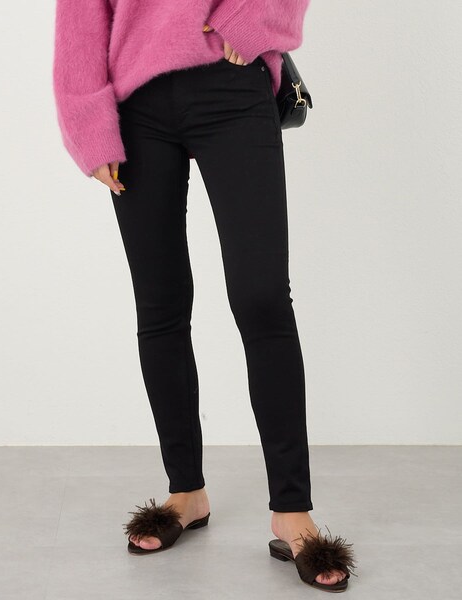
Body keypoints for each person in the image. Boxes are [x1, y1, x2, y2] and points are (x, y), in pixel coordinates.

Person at [52, 1, 357, 592]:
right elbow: (81, 15)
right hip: (137, 102)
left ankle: (292, 509)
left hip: (232, 84)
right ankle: (186, 491)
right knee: (160, 303)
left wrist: (255, 18)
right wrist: (88, 120)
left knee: (262, 297)